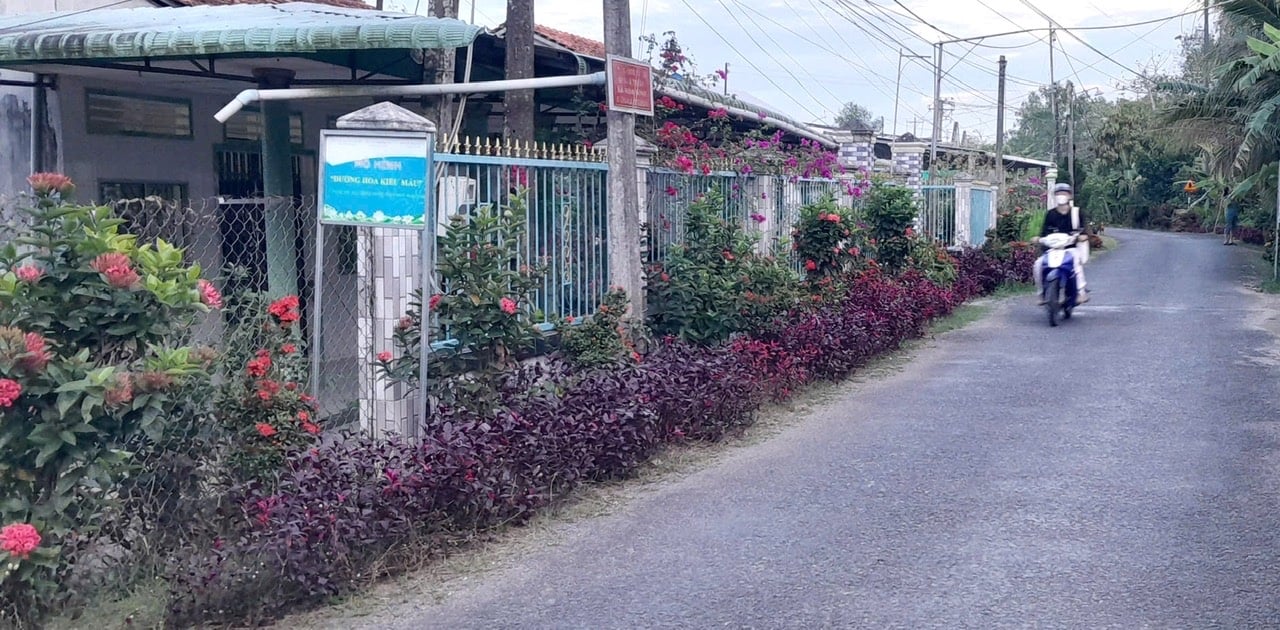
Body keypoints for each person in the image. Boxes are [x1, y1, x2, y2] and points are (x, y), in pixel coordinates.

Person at [1033, 183, 1091, 305]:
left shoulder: (1077, 213)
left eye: (1064, 193)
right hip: (1052, 249)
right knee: (1038, 265)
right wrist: (1038, 239)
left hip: (1070, 249)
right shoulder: (1050, 214)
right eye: (1058, 193)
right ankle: (1041, 293)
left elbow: (1085, 232)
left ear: (1069, 196)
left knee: (1076, 264)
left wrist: (1081, 237)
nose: (1061, 196)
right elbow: (1043, 233)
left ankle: (1081, 292)